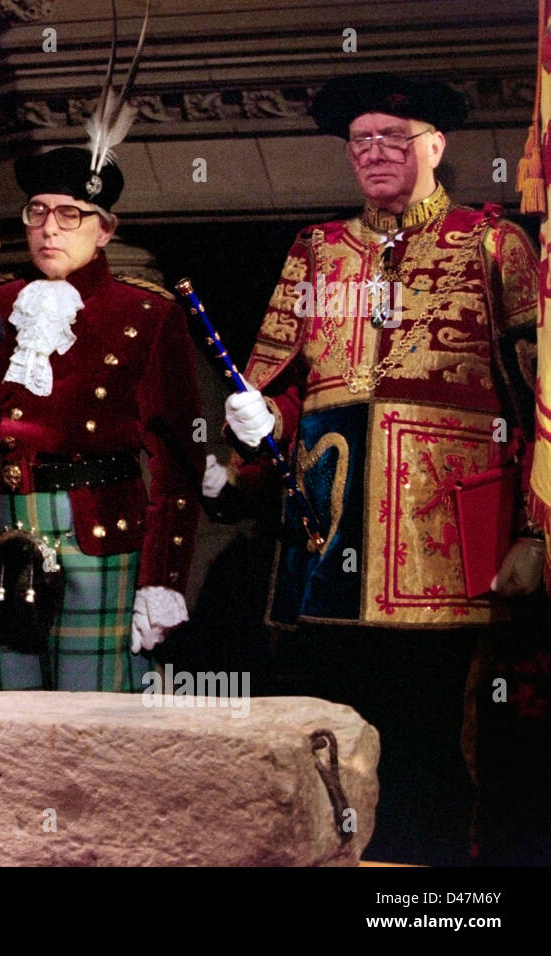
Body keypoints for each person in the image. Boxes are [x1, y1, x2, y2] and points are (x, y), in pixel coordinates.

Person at [208, 73, 542, 864]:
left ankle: (431, 899)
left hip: (450, 555)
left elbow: (539, 400)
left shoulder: (494, 242)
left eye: (395, 137)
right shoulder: (316, 249)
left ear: (436, 146)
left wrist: (534, 530)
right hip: (326, 551)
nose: (376, 154)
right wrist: (262, 421)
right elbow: (279, 385)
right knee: (324, 740)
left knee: (438, 747)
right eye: (361, 141)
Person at [0, 147, 202, 693]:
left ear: (105, 230)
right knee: (2, 729)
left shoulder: (148, 314)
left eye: (70, 214)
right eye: (37, 212)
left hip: (99, 532)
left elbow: (178, 461)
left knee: (98, 724)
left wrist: (162, 580)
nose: (50, 228)